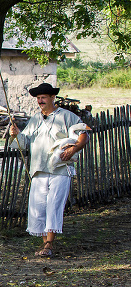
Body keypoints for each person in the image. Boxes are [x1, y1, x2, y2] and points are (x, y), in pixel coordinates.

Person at [9, 82, 89, 257]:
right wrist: (16, 135)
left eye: (43, 97)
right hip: (39, 168)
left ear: (53, 98)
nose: (40, 101)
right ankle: (45, 244)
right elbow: (25, 143)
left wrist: (73, 149)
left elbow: (83, 135)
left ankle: (49, 244)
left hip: (60, 169)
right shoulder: (35, 120)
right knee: (38, 207)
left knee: (54, 205)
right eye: (38, 98)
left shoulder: (67, 117)